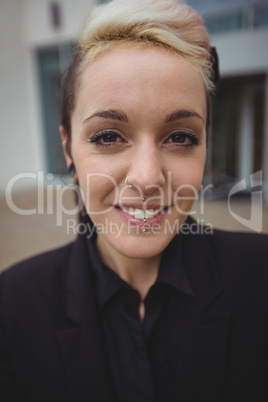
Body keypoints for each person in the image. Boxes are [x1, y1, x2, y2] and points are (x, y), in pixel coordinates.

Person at [0, 0, 267, 401]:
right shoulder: (13, 307)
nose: (147, 178)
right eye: (108, 136)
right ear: (68, 147)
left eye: (181, 137)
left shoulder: (260, 278)